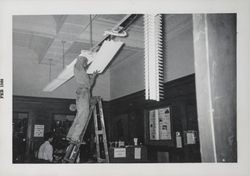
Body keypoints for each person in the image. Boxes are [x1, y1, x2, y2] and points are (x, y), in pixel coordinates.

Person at [66, 56, 99, 143]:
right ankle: (75, 137)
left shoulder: (84, 75)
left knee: (79, 116)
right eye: (85, 63)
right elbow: (77, 66)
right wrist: (82, 58)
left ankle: (71, 135)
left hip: (84, 93)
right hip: (83, 94)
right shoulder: (79, 70)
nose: (86, 64)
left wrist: (94, 77)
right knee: (83, 116)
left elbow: (89, 85)